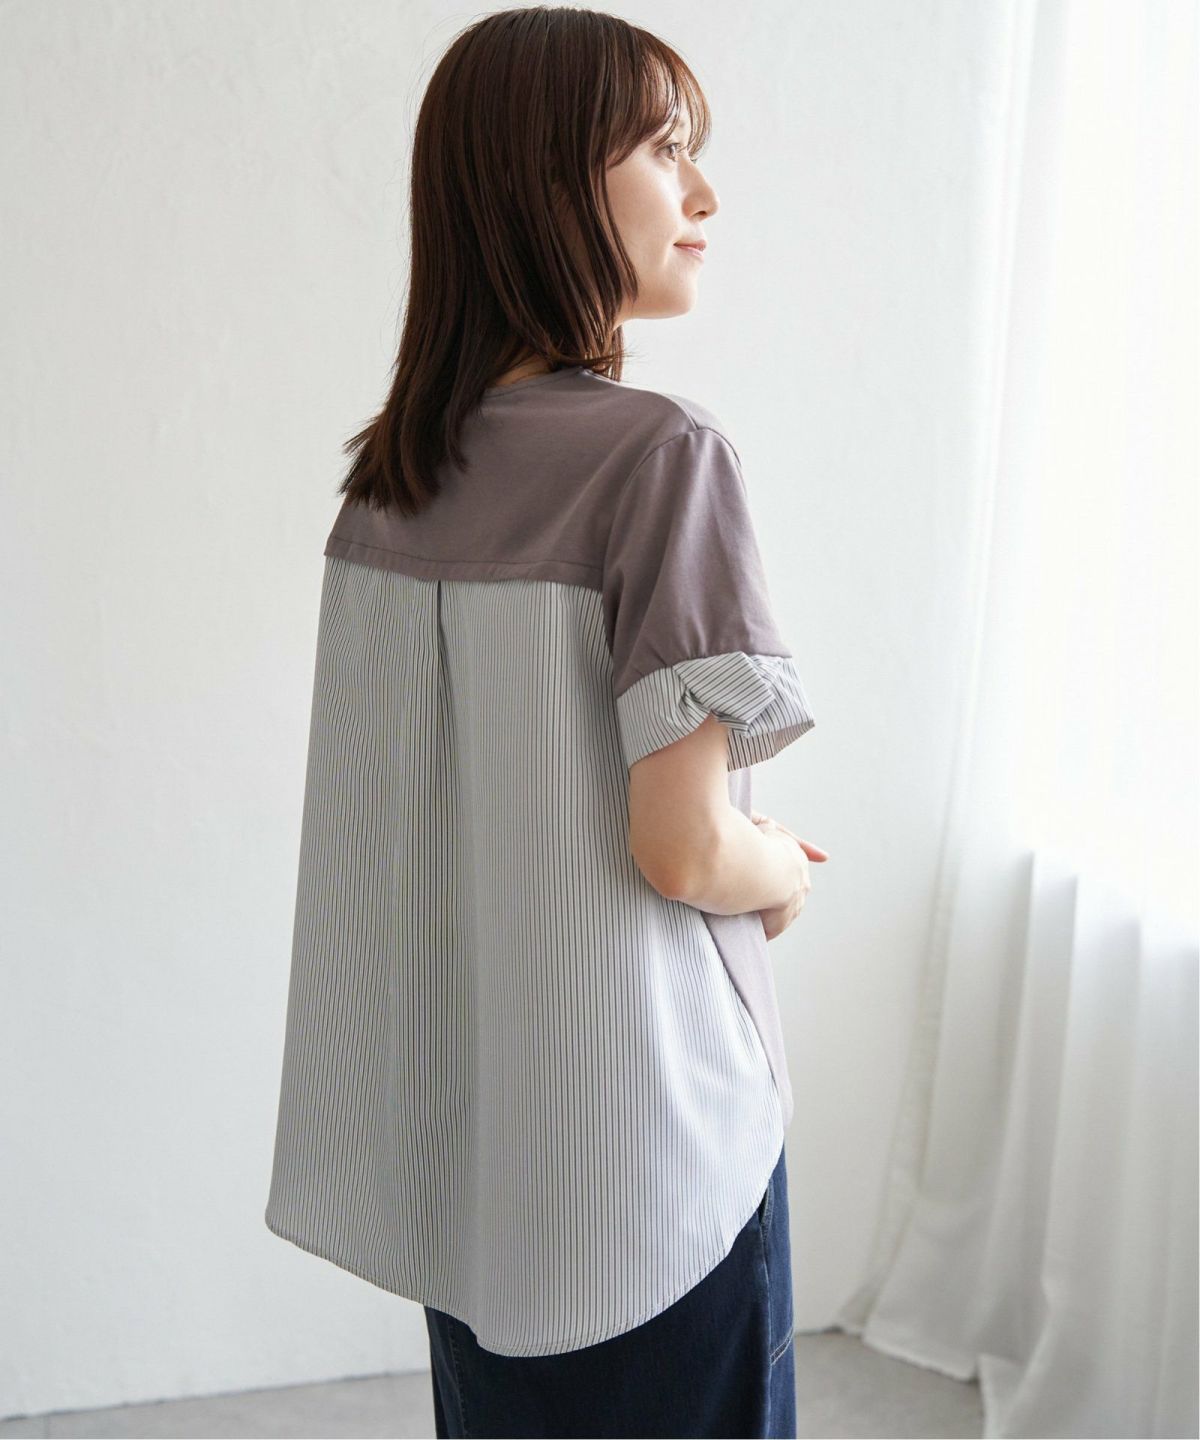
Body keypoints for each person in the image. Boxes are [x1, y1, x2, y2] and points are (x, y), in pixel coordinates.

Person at [264, 7, 828, 1436]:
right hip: (650, 1168)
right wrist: (779, 865)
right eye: (666, 150)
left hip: (477, 1165)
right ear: (549, 185)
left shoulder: (394, 483)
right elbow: (687, 850)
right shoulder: (662, 460)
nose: (704, 195)